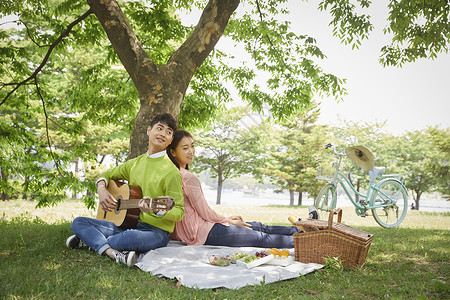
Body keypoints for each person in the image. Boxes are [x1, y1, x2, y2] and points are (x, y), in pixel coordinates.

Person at [66, 113, 184, 267]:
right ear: (149, 130)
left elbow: (179, 211)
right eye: (159, 128)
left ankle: (92, 241)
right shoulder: (134, 163)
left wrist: (157, 210)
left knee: (128, 237)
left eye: (168, 132)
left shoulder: (172, 172)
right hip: (127, 224)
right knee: (78, 222)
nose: (163, 134)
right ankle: (112, 252)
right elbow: (106, 175)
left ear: (170, 140)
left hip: (156, 232)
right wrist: (101, 190)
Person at [166, 130, 301, 248]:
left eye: (192, 146)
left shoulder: (172, 174)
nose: (191, 151)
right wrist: (227, 221)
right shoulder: (187, 177)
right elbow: (205, 212)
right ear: (173, 152)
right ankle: (311, 240)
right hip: (204, 232)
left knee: (257, 226)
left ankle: (303, 232)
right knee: (261, 237)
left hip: (202, 227)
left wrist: (225, 219)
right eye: (185, 148)